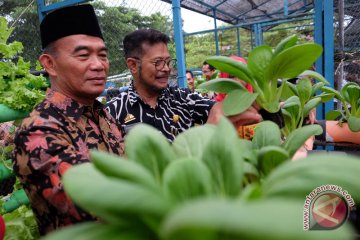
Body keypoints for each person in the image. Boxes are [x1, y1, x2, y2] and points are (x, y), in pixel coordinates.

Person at [12, 4, 124, 235]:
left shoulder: (103, 116)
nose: (98, 65)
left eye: (102, 55)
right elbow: (96, 207)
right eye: (83, 55)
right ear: (49, 64)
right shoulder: (38, 130)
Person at [106, 29, 261, 142]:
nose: (166, 68)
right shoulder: (113, 112)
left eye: (168, 61)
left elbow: (217, 108)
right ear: (133, 65)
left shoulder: (183, 98)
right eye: (158, 62)